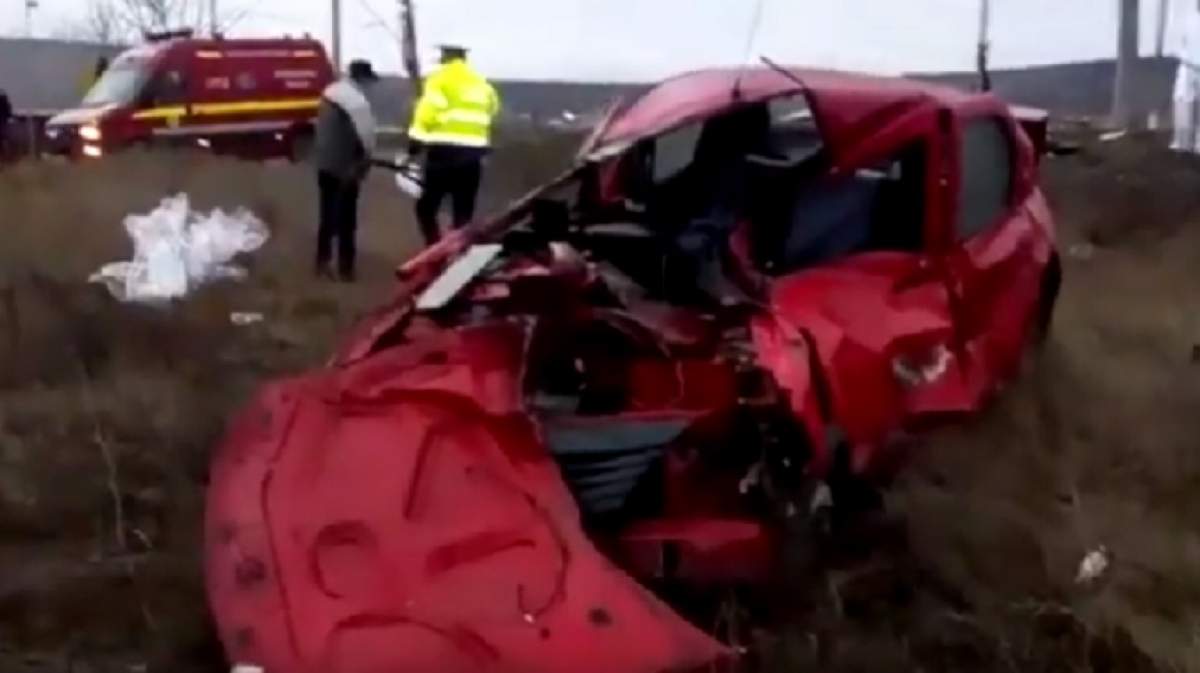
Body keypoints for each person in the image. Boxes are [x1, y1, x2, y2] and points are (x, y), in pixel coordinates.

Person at [407, 44, 501, 245]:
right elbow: (493, 108)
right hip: (474, 155)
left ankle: (434, 248)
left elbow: (428, 111)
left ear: (445, 56)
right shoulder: (481, 82)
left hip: (444, 152)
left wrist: (415, 140)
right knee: (463, 211)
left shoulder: (439, 79)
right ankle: (458, 252)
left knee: (426, 207)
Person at [314, 59, 379, 282]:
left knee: (327, 216)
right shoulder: (356, 101)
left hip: (325, 165)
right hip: (346, 168)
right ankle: (346, 269)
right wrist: (365, 163)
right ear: (362, 78)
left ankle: (322, 262)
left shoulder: (329, 92)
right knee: (347, 221)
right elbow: (368, 137)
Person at [0, 88, 11, 161]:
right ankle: (6, 157)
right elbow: (9, 114)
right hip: (3, 123)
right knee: (4, 139)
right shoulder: (7, 104)